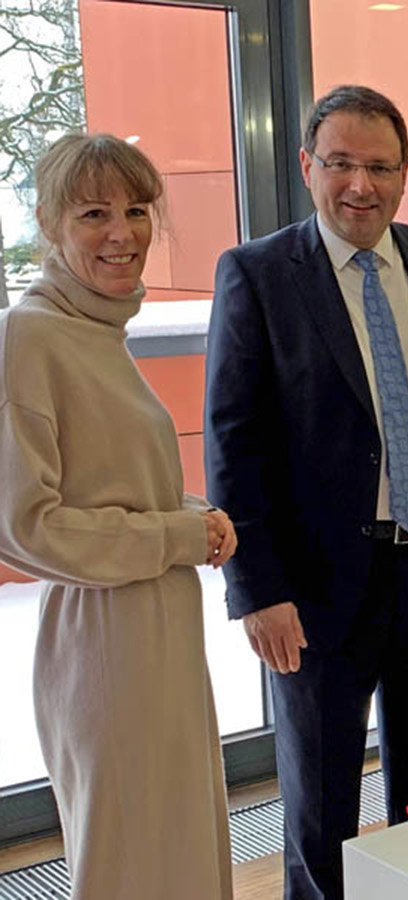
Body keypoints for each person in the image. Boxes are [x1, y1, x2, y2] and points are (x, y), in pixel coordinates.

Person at [204, 85, 408, 900]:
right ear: (306, 166)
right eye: (341, 164)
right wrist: (257, 591)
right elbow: (234, 442)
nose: (362, 185)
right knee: (321, 807)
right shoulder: (258, 274)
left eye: (381, 167)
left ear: (405, 173)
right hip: (315, 591)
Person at [0, 133, 237, 899]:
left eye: (136, 210)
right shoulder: (31, 335)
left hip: (152, 632)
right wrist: (175, 534)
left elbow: (107, 486)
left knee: (175, 853)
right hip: (104, 641)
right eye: (94, 213)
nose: (122, 232)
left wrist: (195, 515)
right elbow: (25, 526)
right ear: (48, 223)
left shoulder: (96, 330)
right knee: (135, 865)